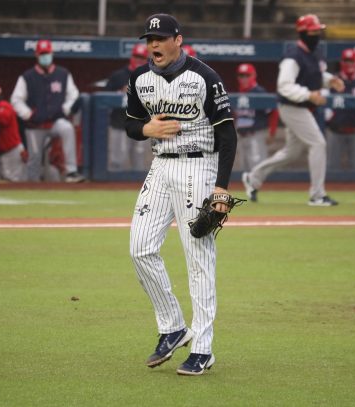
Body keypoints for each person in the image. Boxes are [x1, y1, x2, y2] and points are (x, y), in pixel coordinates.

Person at [125, 13, 237, 376]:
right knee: (140, 247)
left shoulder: (205, 77)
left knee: (198, 258)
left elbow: (227, 135)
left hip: (199, 165)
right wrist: (146, 128)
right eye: (149, 39)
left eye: (160, 38)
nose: (153, 45)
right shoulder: (140, 78)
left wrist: (220, 187)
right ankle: (172, 326)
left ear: (178, 40)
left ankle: (203, 348)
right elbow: (129, 123)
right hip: (160, 165)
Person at [242, 14, 344, 205]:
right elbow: (284, 86)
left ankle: (253, 177)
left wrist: (330, 80)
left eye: (318, 31)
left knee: (291, 152)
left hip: (299, 107)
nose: (317, 34)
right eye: (313, 31)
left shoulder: (313, 53)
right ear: (303, 33)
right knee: (318, 144)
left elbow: (315, 75)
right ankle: (317, 195)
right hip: (292, 107)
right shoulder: (293, 56)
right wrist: (309, 95)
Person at [10, 39, 85, 183]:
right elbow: (16, 100)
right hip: (35, 125)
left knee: (67, 128)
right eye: (42, 54)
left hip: (55, 121)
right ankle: (33, 184)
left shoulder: (63, 74)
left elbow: (73, 94)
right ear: (37, 55)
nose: (45, 56)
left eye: (47, 53)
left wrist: (65, 108)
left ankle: (71, 172)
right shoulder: (27, 76)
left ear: (52, 54)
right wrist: (28, 114)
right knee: (34, 158)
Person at [105, 43, 149, 171]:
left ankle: (139, 189)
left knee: (140, 163)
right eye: (136, 56)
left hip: (142, 125)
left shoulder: (153, 76)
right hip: (119, 123)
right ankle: (112, 188)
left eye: (142, 57)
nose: (139, 60)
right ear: (132, 57)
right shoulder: (118, 76)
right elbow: (104, 99)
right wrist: (120, 92)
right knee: (117, 161)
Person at [0, 82, 29, 182]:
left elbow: (3, 119)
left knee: (15, 183)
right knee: (0, 185)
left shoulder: (4, 105)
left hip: (13, 152)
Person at [233, 63, 271, 171]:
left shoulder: (259, 92)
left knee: (258, 167)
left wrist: (272, 132)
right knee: (244, 168)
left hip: (255, 134)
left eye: (247, 75)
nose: (244, 79)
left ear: (253, 75)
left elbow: (273, 111)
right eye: (241, 76)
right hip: (241, 134)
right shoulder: (238, 92)